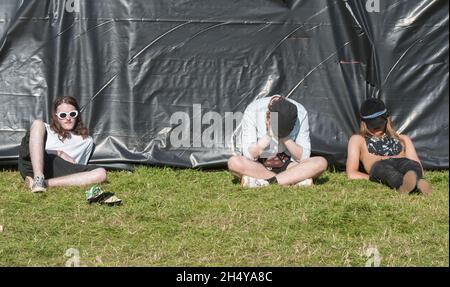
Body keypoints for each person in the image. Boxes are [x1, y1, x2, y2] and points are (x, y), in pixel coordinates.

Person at [228, 95, 328, 188]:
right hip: (259, 165)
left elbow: (303, 157)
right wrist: (269, 135)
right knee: (234, 163)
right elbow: (249, 155)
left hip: (288, 164)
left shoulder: (300, 113)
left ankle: (265, 182)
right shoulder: (253, 110)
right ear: (268, 115)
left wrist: (284, 137)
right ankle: (293, 179)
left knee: (321, 163)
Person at [18, 96, 107, 193]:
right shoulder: (45, 129)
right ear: (56, 116)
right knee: (38, 123)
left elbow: (78, 167)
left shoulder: (86, 140)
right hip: (34, 164)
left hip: (61, 169)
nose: (68, 118)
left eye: (72, 114)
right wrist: (59, 153)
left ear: (77, 115)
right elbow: (35, 149)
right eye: (63, 115)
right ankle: (38, 177)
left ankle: (44, 183)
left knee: (101, 173)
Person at [346, 98, 432, 194]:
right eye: (372, 124)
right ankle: (410, 185)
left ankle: (412, 183)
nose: (376, 128)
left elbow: (417, 164)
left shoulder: (403, 139)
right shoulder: (358, 139)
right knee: (388, 173)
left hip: (403, 162)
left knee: (412, 166)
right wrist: (375, 179)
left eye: (379, 123)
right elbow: (351, 173)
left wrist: (416, 170)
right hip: (380, 165)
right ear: (364, 123)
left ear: (386, 119)